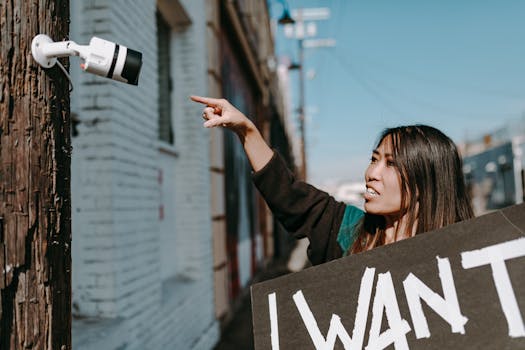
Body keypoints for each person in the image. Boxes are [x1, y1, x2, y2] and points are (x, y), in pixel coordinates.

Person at [191, 95, 474, 265]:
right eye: (374, 159)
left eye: (391, 164)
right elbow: (290, 197)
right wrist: (246, 131)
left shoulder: (467, 257)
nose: (371, 173)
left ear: (428, 183)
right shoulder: (348, 231)